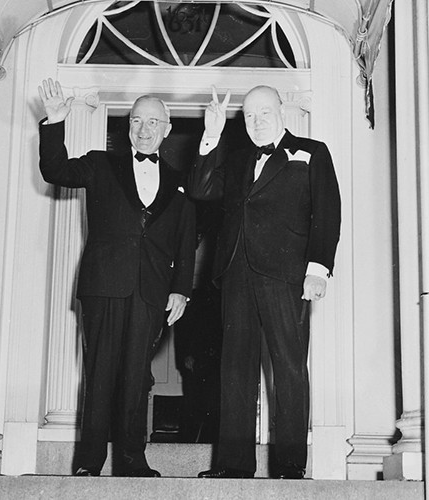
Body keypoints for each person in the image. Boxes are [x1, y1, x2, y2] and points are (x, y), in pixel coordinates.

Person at [37, 78, 196, 477]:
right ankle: (89, 462)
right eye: (137, 120)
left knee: (137, 377)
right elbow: (55, 169)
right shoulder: (101, 163)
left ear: (166, 129)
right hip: (104, 286)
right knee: (100, 373)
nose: (144, 129)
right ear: (128, 126)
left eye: (153, 122)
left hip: (151, 292)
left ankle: (132, 461)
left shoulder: (180, 182)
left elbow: (185, 240)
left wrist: (181, 290)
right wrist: (54, 122)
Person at [189, 85, 341, 479]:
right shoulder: (237, 158)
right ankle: (234, 463)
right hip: (236, 273)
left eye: (264, 113)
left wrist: (318, 269)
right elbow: (201, 189)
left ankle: (290, 465)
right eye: (249, 116)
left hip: (286, 276)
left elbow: (327, 212)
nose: (256, 122)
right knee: (234, 369)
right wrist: (212, 134)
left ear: (281, 113)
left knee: (289, 368)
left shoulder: (311, 152)